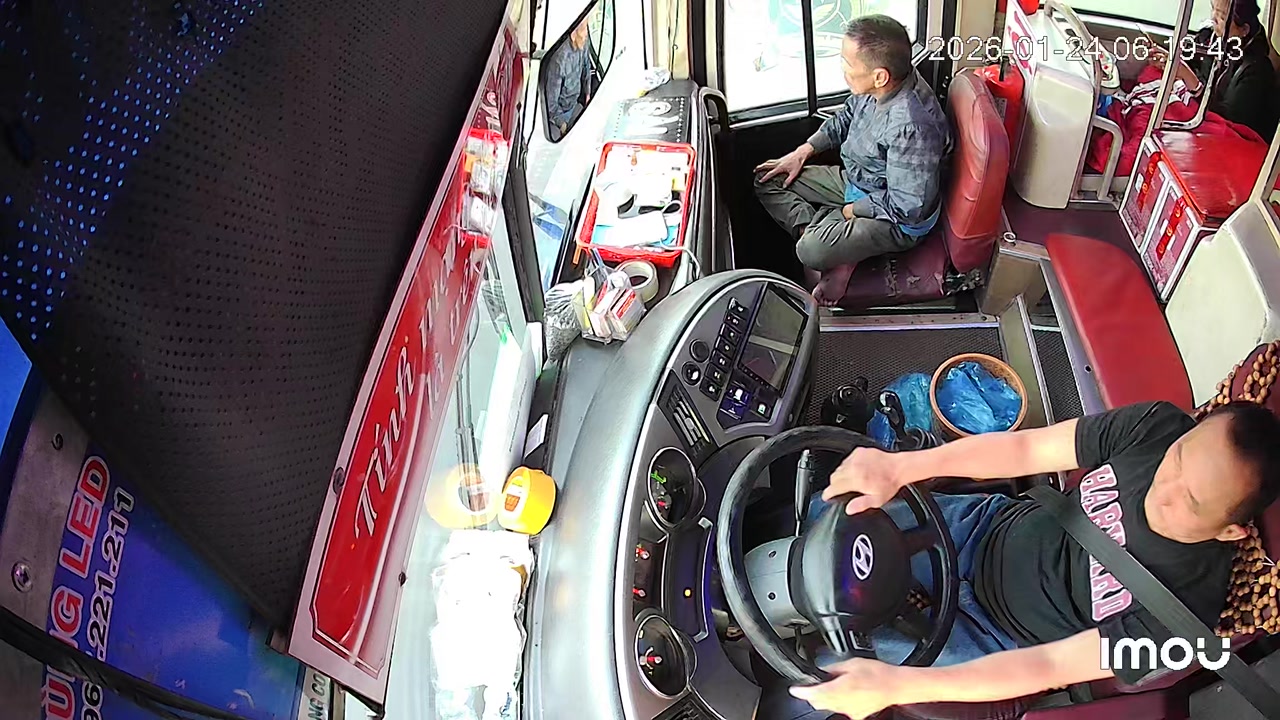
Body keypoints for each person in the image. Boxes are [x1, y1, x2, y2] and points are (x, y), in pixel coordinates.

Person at [790, 400, 1280, 718]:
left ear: (1230, 531)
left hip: (995, 637)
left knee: (821, 675)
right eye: (1177, 460)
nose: (1161, 489)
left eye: (1190, 501)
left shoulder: (1185, 622)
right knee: (823, 523)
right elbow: (1029, 447)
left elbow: (1049, 666)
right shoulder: (1158, 427)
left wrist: (895, 687)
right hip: (979, 529)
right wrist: (900, 467)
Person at [754, 15, 951, 307]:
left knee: (808, 251)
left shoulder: (912, 126)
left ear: (880, 76)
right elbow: (845, 117)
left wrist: (851, 211)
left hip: (893, 217)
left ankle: (834, 248)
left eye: (847, 63)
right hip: (858, 180)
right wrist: (802, 152)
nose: (843, 69)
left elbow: (908, 207)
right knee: (767, 179)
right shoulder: (877, 87)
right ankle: (830, 241)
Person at [1151, 0, 1278, 141]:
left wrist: (1193, 83)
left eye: (1222, 17)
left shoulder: (1257, 70)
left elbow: (1230, 121)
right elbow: (1187, 61)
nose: (1213, 18)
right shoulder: (1210, 38)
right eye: (1213, 9)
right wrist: (1168, 60)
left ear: (1244, 30)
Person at [543, 17, 594, 141]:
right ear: (573, 34)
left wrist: (588, 94)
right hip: (558, 116)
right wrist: (562, 124)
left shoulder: (583, 42)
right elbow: (551, 104)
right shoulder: (559, 61)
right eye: (583, 29)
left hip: (574, 106)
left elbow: (586, 67)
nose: (586, 33)